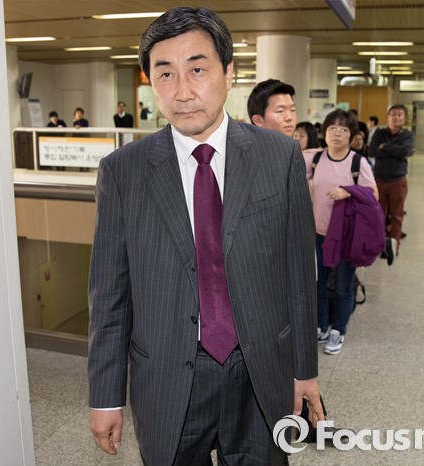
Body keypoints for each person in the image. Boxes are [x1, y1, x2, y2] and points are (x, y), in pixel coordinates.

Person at [88, 7, 323, 465]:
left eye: (197, 69)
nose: (182, 91)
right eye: (165, 74)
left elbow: (298, 274)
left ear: (228, 72)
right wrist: (105, 395)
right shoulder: (123, 172)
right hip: (168, 376)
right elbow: (110, 295)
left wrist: (304, 370)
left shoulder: (278, 157)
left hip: (260, 371)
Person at [248, 79, 354, 443]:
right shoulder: (252, 160)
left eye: (292, 110)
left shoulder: (292, 154)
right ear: (258, 120)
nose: (290, 117)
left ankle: (309, 418)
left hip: (295, 262)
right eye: (280, 110)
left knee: (295, 349)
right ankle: (305, 421)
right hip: (267, 275)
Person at [305, 109, 378, 355]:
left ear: (351, 135)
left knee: (343, 287)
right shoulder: (316, 159)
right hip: (318, 234)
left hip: (347, 236)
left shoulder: (358, 162)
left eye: (343, 129)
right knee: (318, 284)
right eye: (332, 128)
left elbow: (373, 193)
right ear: (324, 132)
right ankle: (321, 326)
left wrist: (348, 191)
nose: (337, 133)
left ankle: (339, 329)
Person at [368, 104, 414, 265]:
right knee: (379, 215)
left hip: (398, 181)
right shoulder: (379, 133)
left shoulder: (408, 135)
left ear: (404, 118)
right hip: (379, 180)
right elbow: (372, 151)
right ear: (388, 117)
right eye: (393, 114)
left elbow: (405, 151)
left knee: (396, 216)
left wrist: (385, 147)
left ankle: (394, 246)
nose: (396, 117)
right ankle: (380, 245)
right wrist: (395, 151)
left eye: (400, 115)